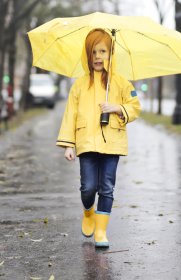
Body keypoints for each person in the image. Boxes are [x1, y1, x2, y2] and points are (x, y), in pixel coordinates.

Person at [56, 28, 141, 247]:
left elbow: (135, 107)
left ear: (110, 55)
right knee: (88, 187)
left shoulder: (121, 83)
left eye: (102, 51)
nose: (97, 57)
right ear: (88, 55)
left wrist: (117, 107)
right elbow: (70, 115)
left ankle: (101, 232)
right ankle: (88, 212)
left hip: (112, 142)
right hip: (86, 143)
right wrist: (68, 145)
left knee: (106, 187)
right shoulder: (79, 85)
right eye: (93, 52)